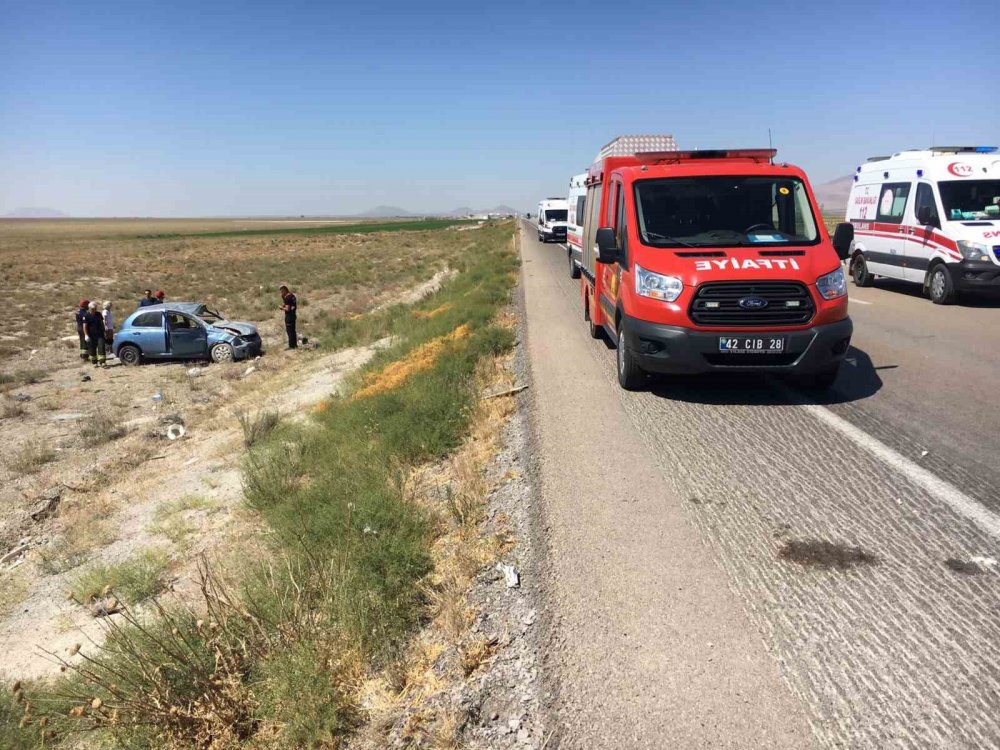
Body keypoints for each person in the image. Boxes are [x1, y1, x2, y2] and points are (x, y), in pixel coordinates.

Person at [83, 301, 107, 367]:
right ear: (89, 308)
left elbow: (102, 323)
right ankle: (94, 362)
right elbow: (84, 326)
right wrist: (86, 335)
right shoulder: (86, 316)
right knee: (92, 349)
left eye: (95, 308)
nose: (94, 310)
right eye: (93, 309)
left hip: (100, 334)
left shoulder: (98, 314)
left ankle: (102, 362)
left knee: (101, 347)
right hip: (91, 335)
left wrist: (104, 331)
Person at [279, 285, 297, 349]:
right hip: (293, 315)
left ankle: (291, 346)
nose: (281, 293)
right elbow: (289, 304)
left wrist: (281, 308)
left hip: (289, 316)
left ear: (284, 290)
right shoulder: (292, 295)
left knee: (289, 331)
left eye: (282, 291)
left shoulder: (287, 298)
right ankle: (294, 345)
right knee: (293, 331)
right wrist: (283, 298)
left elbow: (287, 309)